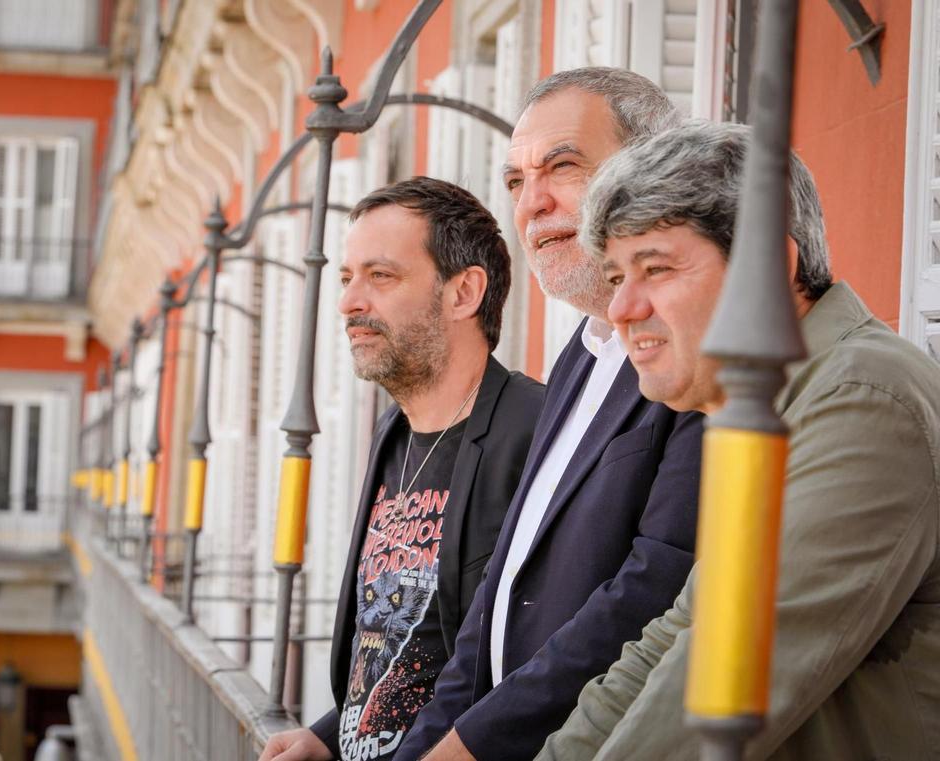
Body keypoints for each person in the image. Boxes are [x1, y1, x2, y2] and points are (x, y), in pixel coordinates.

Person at [539, 120, 940, 760]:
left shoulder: (865, 398)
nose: (622, 309)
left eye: (656, 268)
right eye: (616, 277)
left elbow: (727, 672)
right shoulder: (769, 409)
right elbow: (671, 644)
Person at [398, 68, 703, 761]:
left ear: (649, 170)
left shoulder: (692, 357)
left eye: (561, 167)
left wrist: (472, 745)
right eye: (514, 181)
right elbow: (498, 594)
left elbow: (653, 589)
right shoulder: (577, 357)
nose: (531, 204)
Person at [259, 177, 545, 761]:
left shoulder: (535, 430)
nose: (348, 303)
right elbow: (401, 645)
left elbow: (524, 657)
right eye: (346, 279)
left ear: (463, 292)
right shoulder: (393, 435)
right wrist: (328, 734)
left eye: (380, 276)